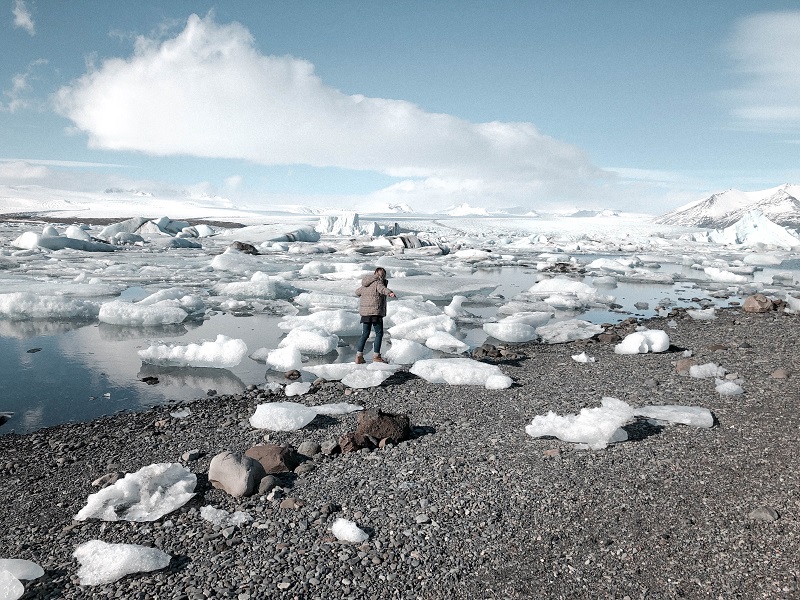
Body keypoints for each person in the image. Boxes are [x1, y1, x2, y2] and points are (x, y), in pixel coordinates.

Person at [355, 267, 396, 363]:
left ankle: (359, 356)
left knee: (365, 334)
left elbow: (357, 292)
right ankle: (376, 356)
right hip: (375, 312)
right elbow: (382, 289)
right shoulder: (378, 283)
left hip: (365, 313)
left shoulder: (365, 284)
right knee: (379, 333)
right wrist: (390, 293)